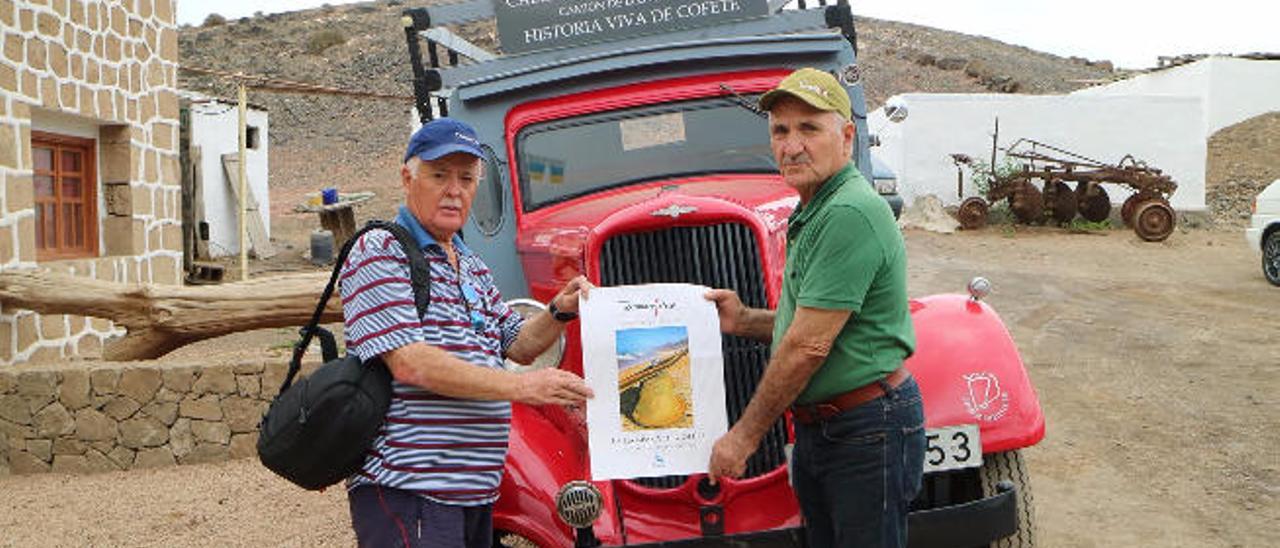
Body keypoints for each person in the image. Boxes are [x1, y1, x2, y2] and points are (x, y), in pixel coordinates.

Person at [339, 118, 594, 548]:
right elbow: (410, 363)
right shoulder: (381, 250)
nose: (454, 190)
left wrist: (558, 311)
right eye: (439, 175)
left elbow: (518, 343)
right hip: (412, 486)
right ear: (408, 177)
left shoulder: (470, 264)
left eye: (466, 178)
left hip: (474, 492)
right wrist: (524, 388)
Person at [705, 68, 925, 547]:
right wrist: (744, 320)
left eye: (809, 128)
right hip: (830, 429)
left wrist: (743, 437)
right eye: (780, 131)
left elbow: (807, 345)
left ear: (847, 137)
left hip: (865, 429)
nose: (791, 145)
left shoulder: (847, 212)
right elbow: (808, 323)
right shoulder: (816, 208)